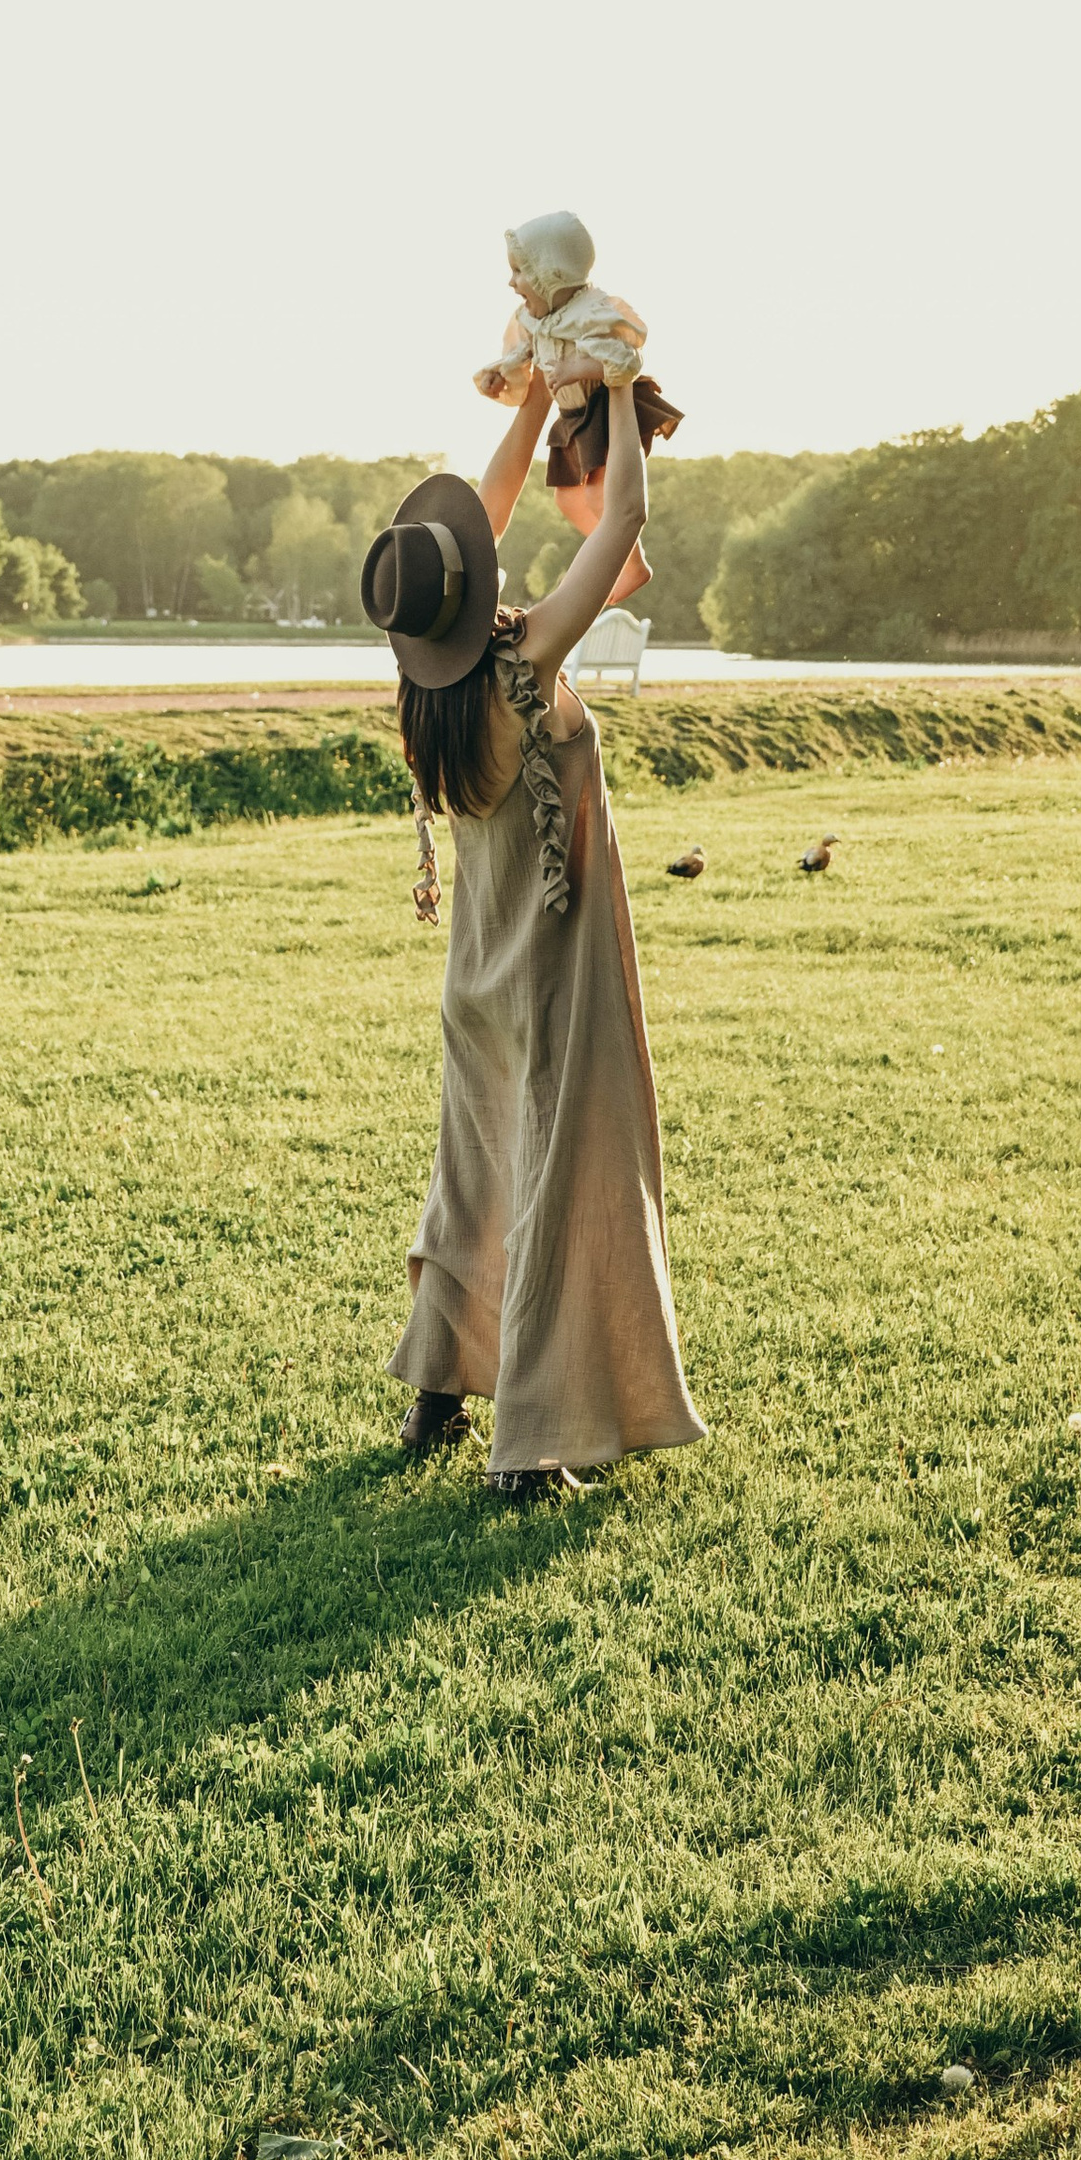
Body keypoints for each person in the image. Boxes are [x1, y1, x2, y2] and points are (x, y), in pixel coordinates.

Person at [359, 370, 708, 1499]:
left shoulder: (424, 688)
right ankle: (537, 1440)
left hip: (476, 980)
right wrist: (602, 389)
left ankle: (435, 1399)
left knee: (474, 1181)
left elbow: (491, 516)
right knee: (560, 1182)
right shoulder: (523, 669)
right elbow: (627, 524)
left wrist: (527, 400)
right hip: (554, 974)